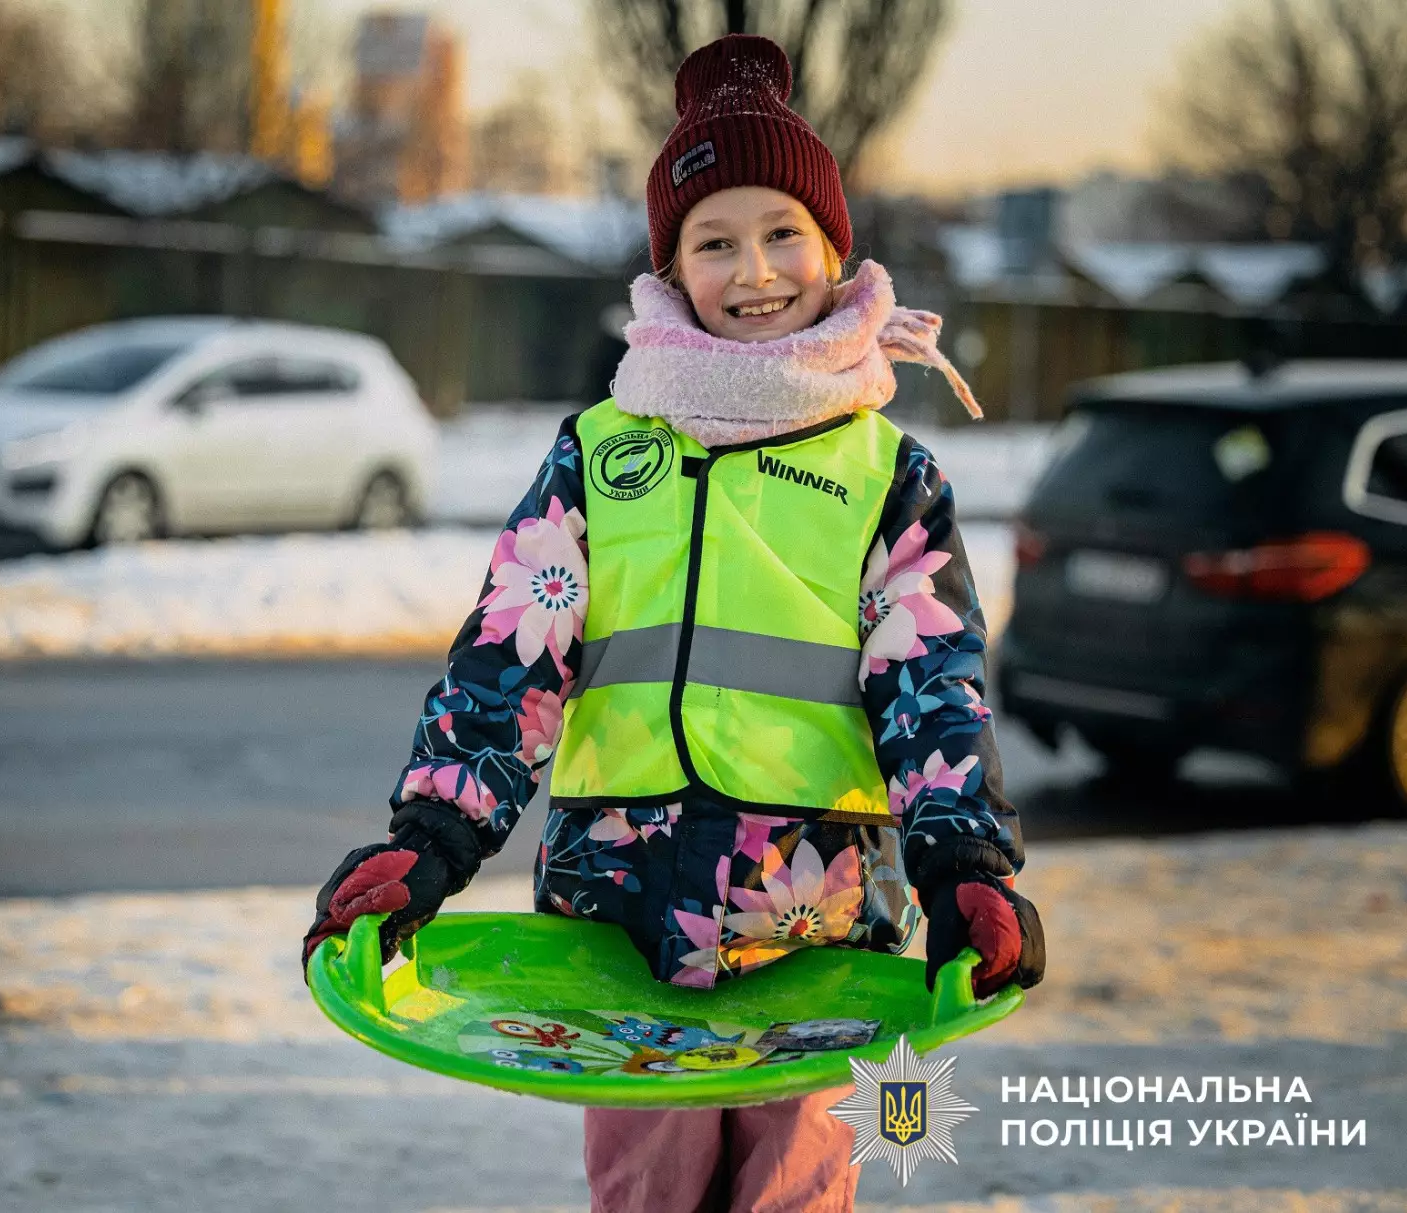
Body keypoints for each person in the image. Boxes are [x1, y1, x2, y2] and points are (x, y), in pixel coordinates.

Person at [304, 34, 1044, 1213]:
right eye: (713, 241)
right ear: (670, 267)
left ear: (832, 246)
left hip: (817, 925)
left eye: (781, 233)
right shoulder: (602, 454)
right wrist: (430, 840)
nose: (753, 270)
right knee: (645, 1196)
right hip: (618, 921)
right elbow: (509, 661)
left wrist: (963, 865)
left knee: (792, 1196)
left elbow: (930, 691)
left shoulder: (885, 473)